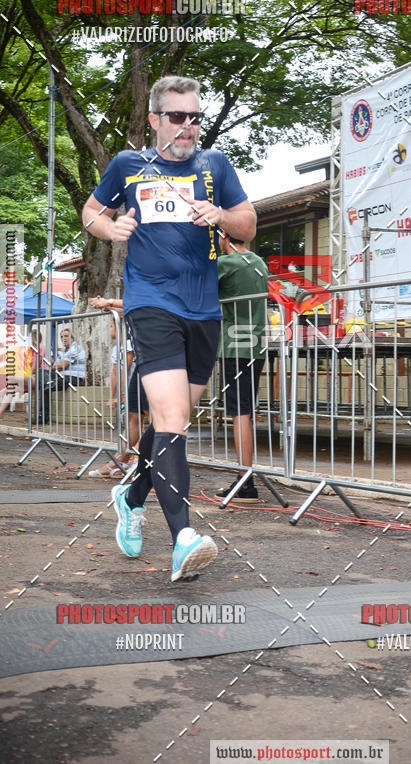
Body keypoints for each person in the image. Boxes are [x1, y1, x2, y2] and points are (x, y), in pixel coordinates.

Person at [81, 75, 256, 582]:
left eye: (195, 117)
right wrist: (109, 227)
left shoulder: (215, 166)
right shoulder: (127, 165)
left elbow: (247, 224)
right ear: (155, 119)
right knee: (173, 415)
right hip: (150, 302)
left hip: (203, 310)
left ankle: (131, 495)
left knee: (169, 421)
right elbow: (91, 210)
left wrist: (219, 214)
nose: (187, 127)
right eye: (177, 117)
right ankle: (183, 538)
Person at [216, 232, 269, 502]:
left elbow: (200, 292)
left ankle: (245, 479)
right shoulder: (259, 262)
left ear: (224, 235)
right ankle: (244, 476)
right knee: (245, 410)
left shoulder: (227, 263)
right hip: (256, 342)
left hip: (234, 345)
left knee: (239, 412)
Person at [89, 296, 150, 478]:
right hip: (144, 360)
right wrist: (111, 307)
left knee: (154, 418)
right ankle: (119, 461)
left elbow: (147, 302)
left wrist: (110, 302)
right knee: (134, 414)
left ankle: (149, 464)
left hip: (158, 358)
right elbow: (138, 307)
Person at [39, 327, 86, 425]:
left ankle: (43, 417)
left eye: (66, 336)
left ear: (72, 338)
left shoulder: (75, 348)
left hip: (74, 378)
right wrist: (57, 365)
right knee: (42, 373)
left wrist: (58, 365)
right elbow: (55, 366)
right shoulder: (64, 350)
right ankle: (42, 415)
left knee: (47, 387)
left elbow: (62, 365)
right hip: (62, 376)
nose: (63, 338)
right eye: (61, 337)